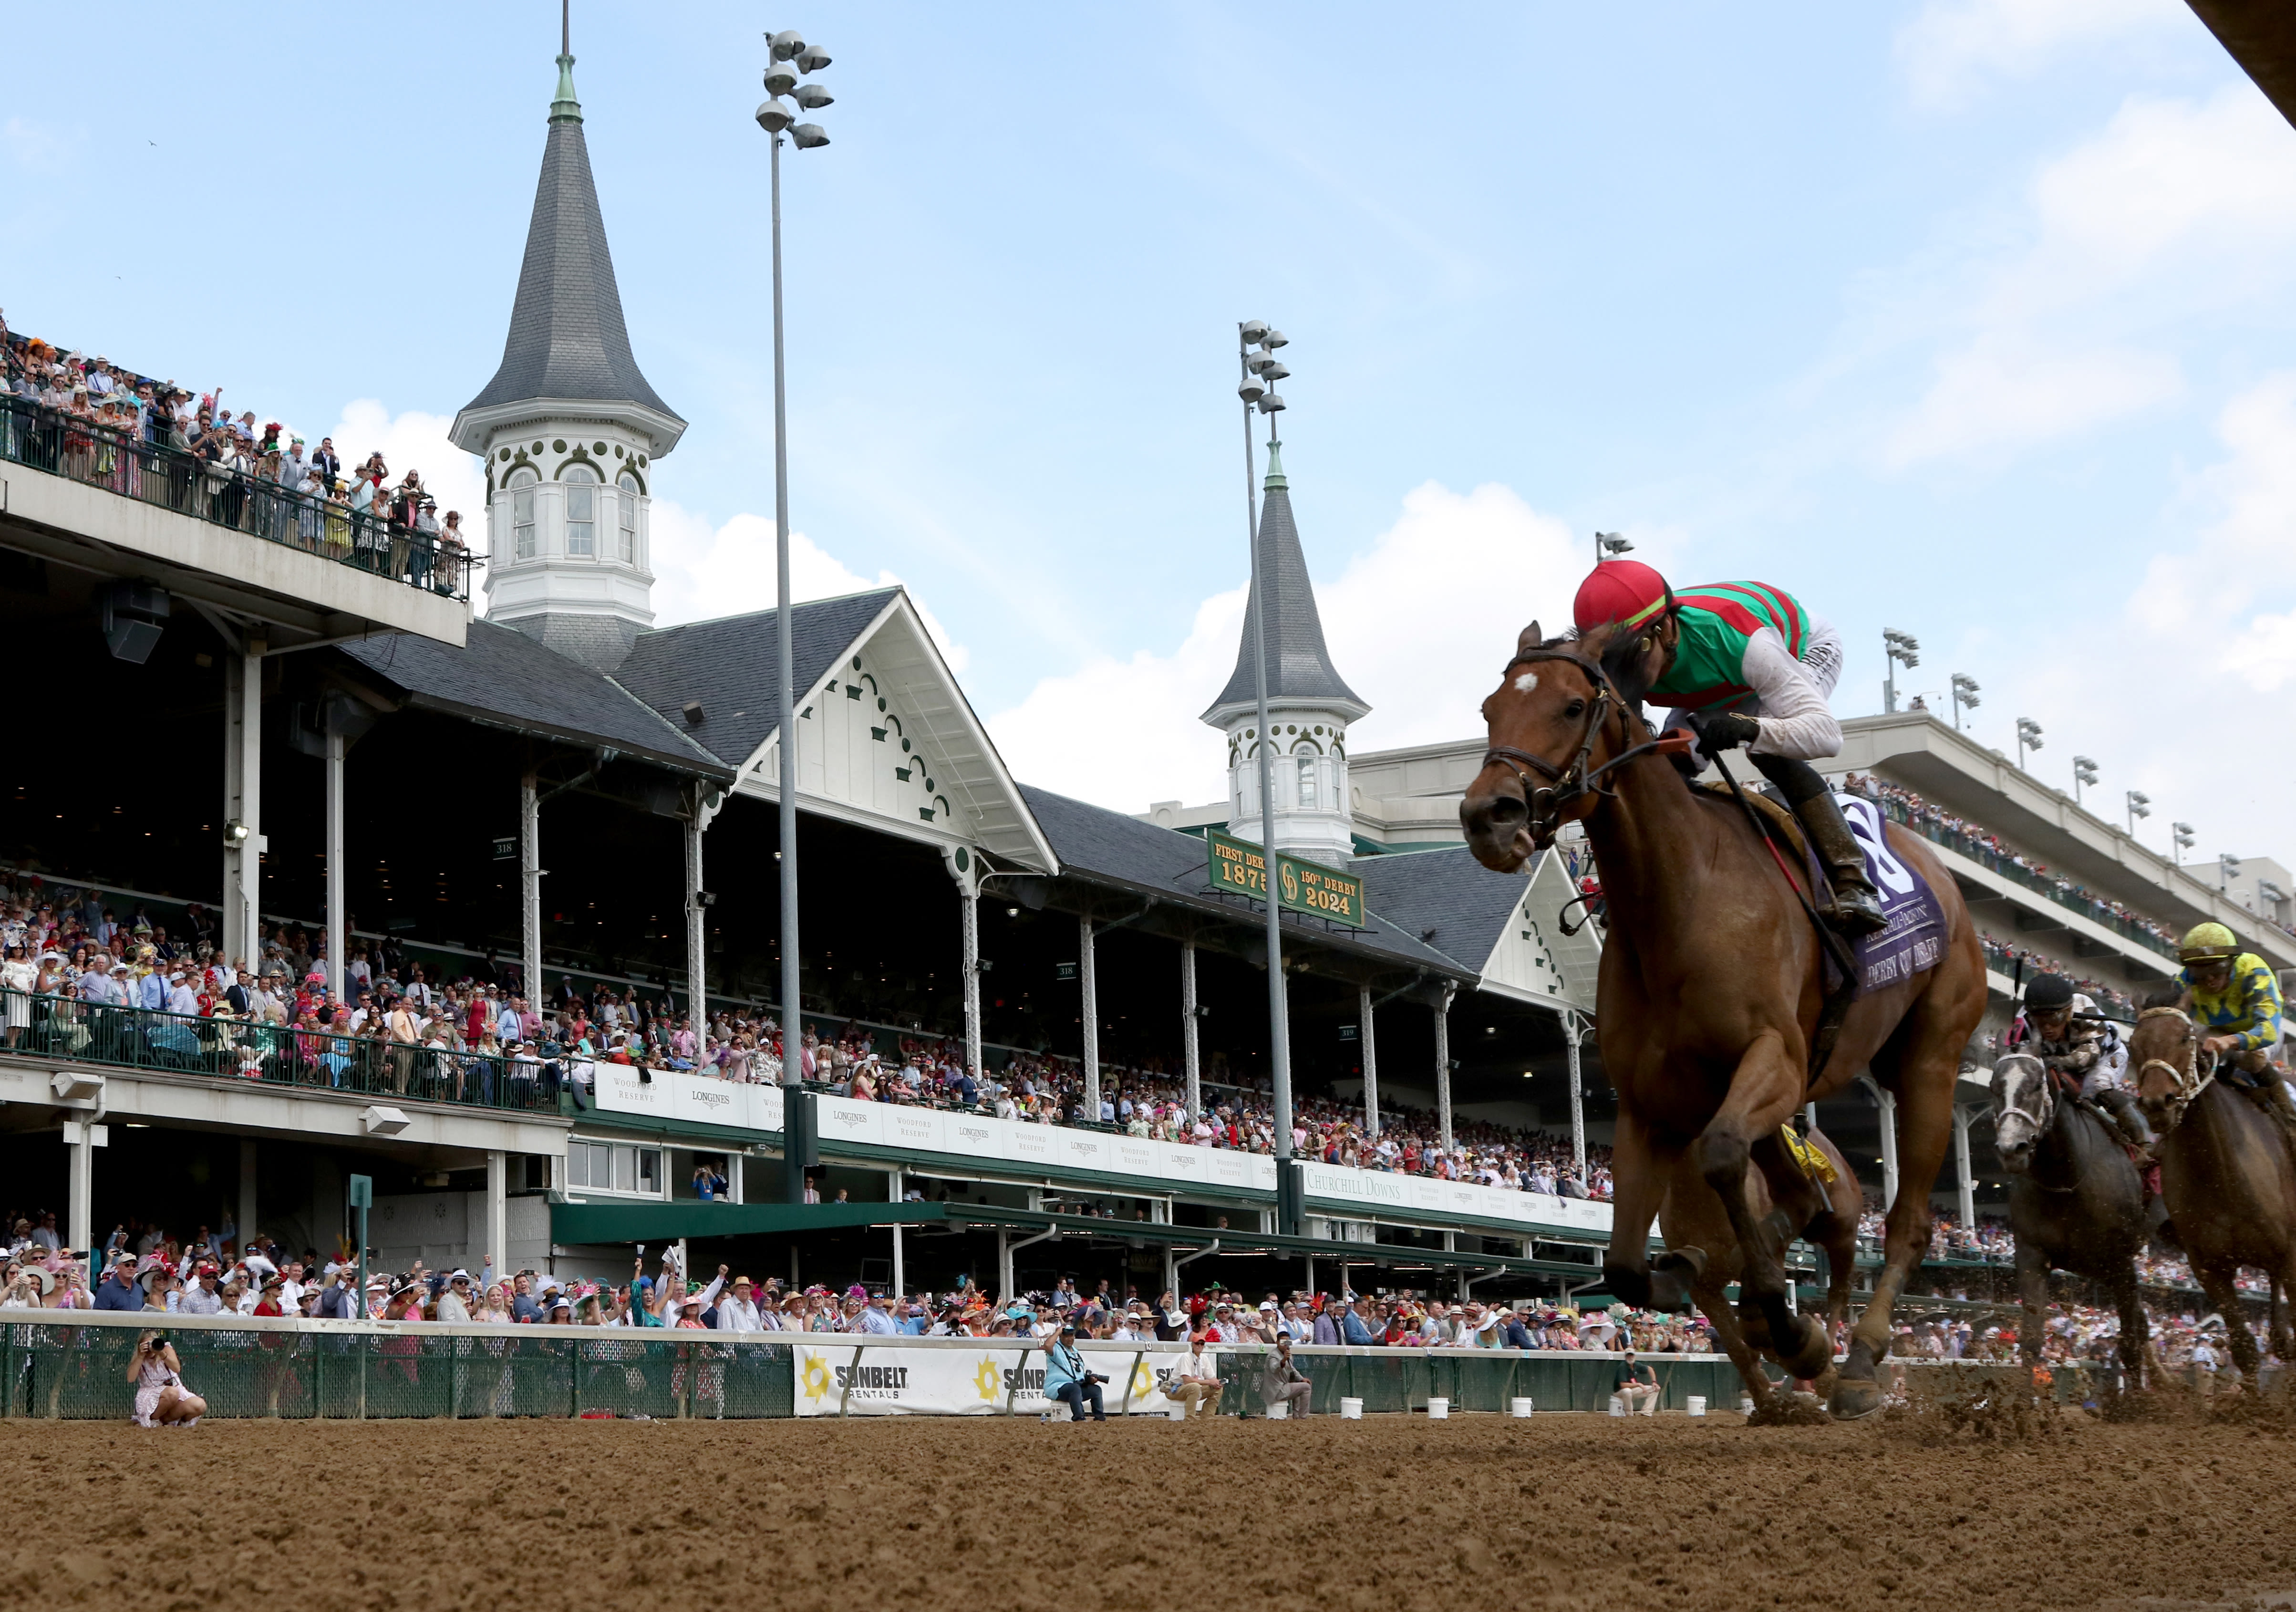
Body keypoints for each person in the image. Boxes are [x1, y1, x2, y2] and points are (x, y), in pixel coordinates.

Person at [1570, 561, 1884, 936]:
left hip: (1796, 647)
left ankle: (1853, 880)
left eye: (1636, 653)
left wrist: (1749, 728)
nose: (1627, 673)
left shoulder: (1741, 641)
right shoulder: (1627, 660)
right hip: (1715, 675)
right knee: (1667, 768)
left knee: (1769, 751)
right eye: (1614, 659)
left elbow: (1826, 735)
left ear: (1667, 627)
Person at [2173, 923, 2295, 1129]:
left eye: (2217, 970)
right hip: (2213, 1031)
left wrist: (2230, 1041)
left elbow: (2268, 1031)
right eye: (2201, 974)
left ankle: (2290, 1118)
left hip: (2256, 1031)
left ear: (2231, 963)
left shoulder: (2254, 972)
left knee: (2252, 1059)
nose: (2210, 980)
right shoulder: (2183, 982)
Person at [2013, 973, 2151, 1154]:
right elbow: (2014, 1054)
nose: (2047, 1027)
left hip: (2106, 1056)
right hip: (2059, 1060)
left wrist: (2061, 1061)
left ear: (2068, 1012)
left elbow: (2091, 1053)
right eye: (2040, 1020)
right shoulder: (2023, 1019)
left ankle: (2143, 1143)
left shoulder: (2084, 1008)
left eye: (2054, 1020)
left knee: (2097, 1086)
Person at [128, 1331, 206, 1427]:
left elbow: (177, 1368)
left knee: (200, 1405)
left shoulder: (166, 1350)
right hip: (153, 1393)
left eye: (151, 1344)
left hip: (175, 1391)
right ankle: (154, 1419)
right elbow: (131, 1379)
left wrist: (161, 1353)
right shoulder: (140, 1357)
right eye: (146, 1345)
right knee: (172, 1393)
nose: (150, 1348)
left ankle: (177, 1422)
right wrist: (140, 1356)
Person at [1041, 1323, 1107, 1423]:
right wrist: (1058, 1331)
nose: (1069, 1339)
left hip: (1074, 1387)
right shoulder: (1056, 1349)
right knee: (1074, 1388)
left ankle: (1100, 1418)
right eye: (1066, 1336)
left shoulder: (1075, 1352)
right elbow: (1047, 1345)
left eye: (1071, 1335)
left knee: (1096, 1390)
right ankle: (1079, 1418)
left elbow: (1077, 1374)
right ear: (1061, 1337)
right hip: (1057, 1387)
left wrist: (1088, 1380)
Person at [1259, 1334, 1313, 1420]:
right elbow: (1274, 1368)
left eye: (1287, 1342)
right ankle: (1303, 1417)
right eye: (1283, 1342)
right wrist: (1283, 1360)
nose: (1285, 1345)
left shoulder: (1288, 1355)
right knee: (1306, 1388)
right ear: (1277, 1343)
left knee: (1301, 1385)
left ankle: (1297, 1415)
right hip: (1276, 1390)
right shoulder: (1273, 1355)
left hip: (1283, 1387)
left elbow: (1292, 1369)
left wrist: (1302, 1379)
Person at [1169, 1335, 1223, 1420]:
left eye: (1202, 1344)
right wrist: (1209, 1382)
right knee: (1195, 1386)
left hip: (1191, 1389)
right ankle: (1190, 1418)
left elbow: (1212, 1378)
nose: (1200, 1346)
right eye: (1197, 1343)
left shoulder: (1204, 1358)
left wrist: (1216, 1383)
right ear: (1192, 1345)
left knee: (1217, 1388)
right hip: (1175, 1390)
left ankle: (1207, 1418)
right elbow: (1187, 1380)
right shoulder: (1186, 1357)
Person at [1612, 1346, 1660, 1416]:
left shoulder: (1636, 1365)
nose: (1630, 1357)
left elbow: (1650, 1369)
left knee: (1655, 1389)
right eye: (1628, 1356)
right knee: (1627, 1391)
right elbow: (1623, 1385)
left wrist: (1654, 1382)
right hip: (1619, 1392)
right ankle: (1629, 1414)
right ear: (1625, 1357)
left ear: (1634, 1356)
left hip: (1632, 1391)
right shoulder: (1623, 1367)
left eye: (1632, 1355)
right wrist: (1639, 1385)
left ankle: (1646, 1412)